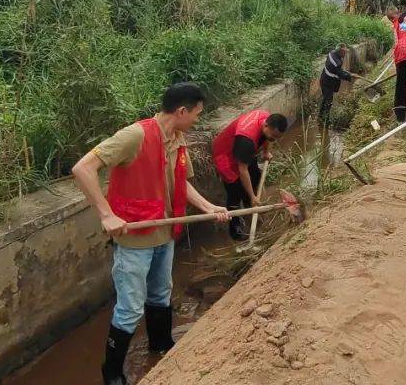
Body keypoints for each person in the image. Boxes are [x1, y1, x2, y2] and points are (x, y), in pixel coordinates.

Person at [70, 83, 230, 385]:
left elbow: (180, 183)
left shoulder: (178, 140)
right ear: (181, 111)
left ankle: (161, 345)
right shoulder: (136, 135)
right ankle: (113, 374)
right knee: (130, 307)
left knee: (160, 293)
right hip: (135, 240)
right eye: (196, 114)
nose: (197, 119)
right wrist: (106, 213)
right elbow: (83, 168)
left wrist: (208, 206)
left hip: (165, 234)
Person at [212, 109, 288, 240]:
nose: (274, 139)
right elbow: (243, 170)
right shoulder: (247, 139)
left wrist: (266, 152)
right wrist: (253, 196)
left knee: (256, 177)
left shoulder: (266, 117)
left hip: (242, 150)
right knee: (235, 192)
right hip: (225, 156)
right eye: (273, 136)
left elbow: (268, 137)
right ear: (266, 125)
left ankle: (249, 207)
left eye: (277, 137)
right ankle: (235, 229)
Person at [318, 43, 355, 124]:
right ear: (340, 51)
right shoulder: (335, 61)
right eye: (344, 52)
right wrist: (349, 76)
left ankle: (320, 116)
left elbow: (338, 70)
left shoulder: (334, 54)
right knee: (328, 101)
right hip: (327, 82)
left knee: (326, 99)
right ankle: (325, 120)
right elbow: (339, 73)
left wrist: (347, 73)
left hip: (329, 81)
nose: (345, 54)